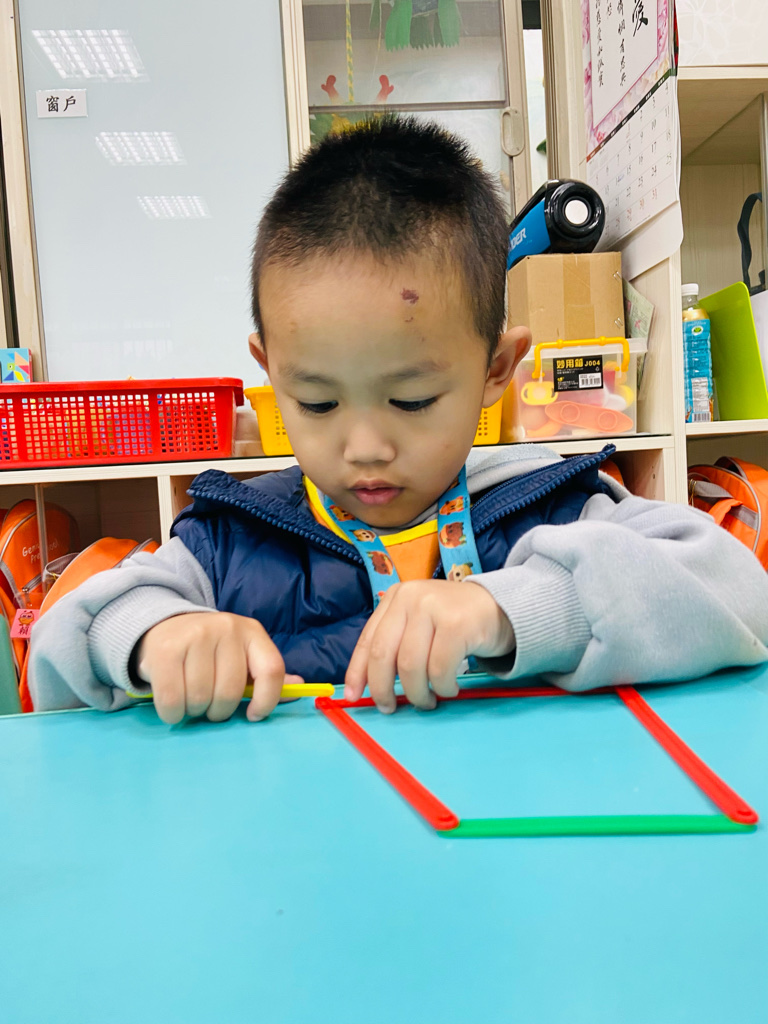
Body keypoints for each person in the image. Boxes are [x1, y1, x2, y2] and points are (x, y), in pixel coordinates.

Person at [29, 117, 768, 723]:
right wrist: (157, 636)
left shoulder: (553, 506)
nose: (365, 447)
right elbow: (63, 644)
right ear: (271, 370)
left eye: (412, 401)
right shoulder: (230, 541)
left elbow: (742, 594)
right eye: (317, 402)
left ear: (496, 370)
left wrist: (509, 609)